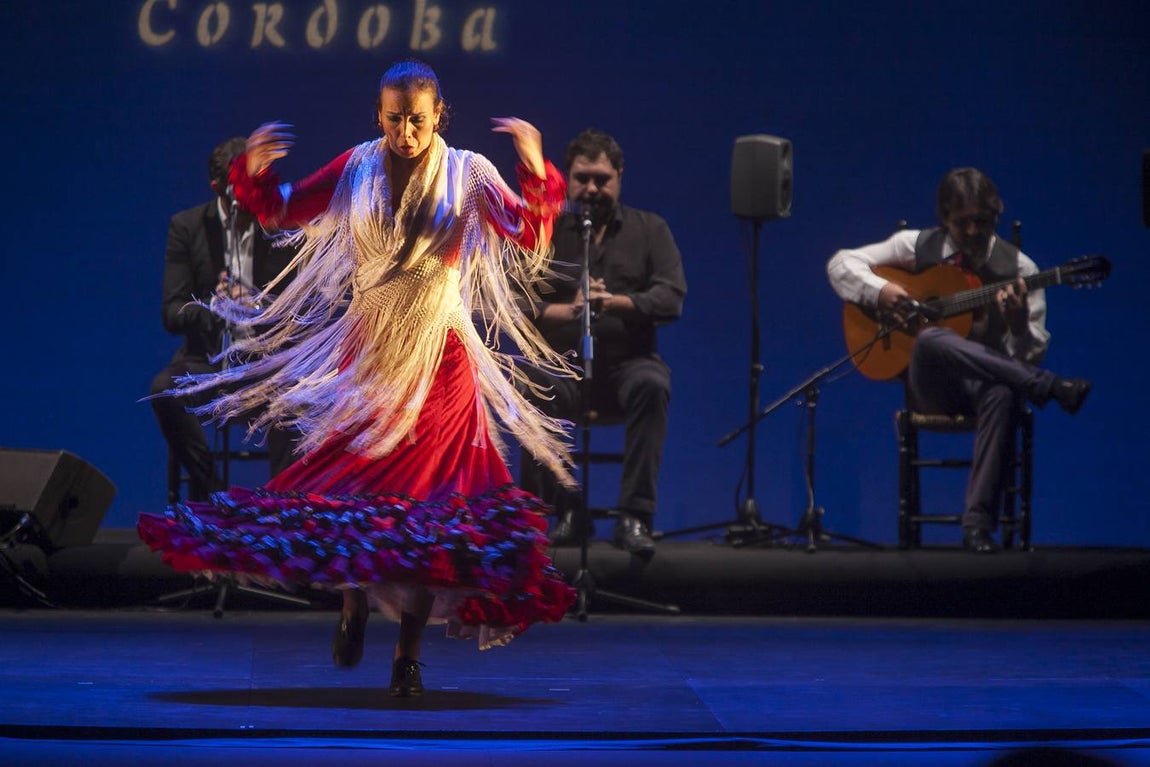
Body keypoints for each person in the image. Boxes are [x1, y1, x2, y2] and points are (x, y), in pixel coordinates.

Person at [138, 59, 577, 697]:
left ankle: (408, 656)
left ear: (438, 116)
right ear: (379, 115)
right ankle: (353, 603)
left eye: (418, 121)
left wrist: (536, 169)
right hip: (369, 353)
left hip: (440, 358)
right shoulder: (358, 167)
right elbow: (285, 211)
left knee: (431, 510)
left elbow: (527, 230)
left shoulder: (467, 171)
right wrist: (254, 173)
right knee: (357, 495)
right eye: (395, 119)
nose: (406, 133)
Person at [826, 167, 1091, 553]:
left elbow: (1029, 355)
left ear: (996, 216)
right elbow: (839, 263)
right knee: (932, 337)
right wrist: (881, 292)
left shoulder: (1021, 270)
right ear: (944, 219)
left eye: (981, 222)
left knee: (1003, 393)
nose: (971, 232)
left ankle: (977, 527)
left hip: (985, 390)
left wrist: (1018, 327)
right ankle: (1049, 387)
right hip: (929, 386)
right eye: (961, 223)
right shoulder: (914, 245)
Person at [517, 128, 686, 558]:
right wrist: (570, 310)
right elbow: (514, 301)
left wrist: (615, 303)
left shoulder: (650, 229)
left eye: (601, 180)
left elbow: (671, 297)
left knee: (654, 384)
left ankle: (634, 517)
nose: (590, 189)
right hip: (566, 366)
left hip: (628, 364)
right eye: (582, 179)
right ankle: (563, 512)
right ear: (569, 180)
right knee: (531, 384)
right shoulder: (547, 232)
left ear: (620, 177)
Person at [150, 137, 298, 502]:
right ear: (218, 189)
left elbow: (301, 306)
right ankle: (211, 491)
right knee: (163, 391)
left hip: (266, 364)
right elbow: (172, 312)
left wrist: (260, 307)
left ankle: (281, 509)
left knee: (300, 396)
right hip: (207, 360)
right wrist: (213, 306)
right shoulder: (187, 227)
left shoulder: (279, 226)